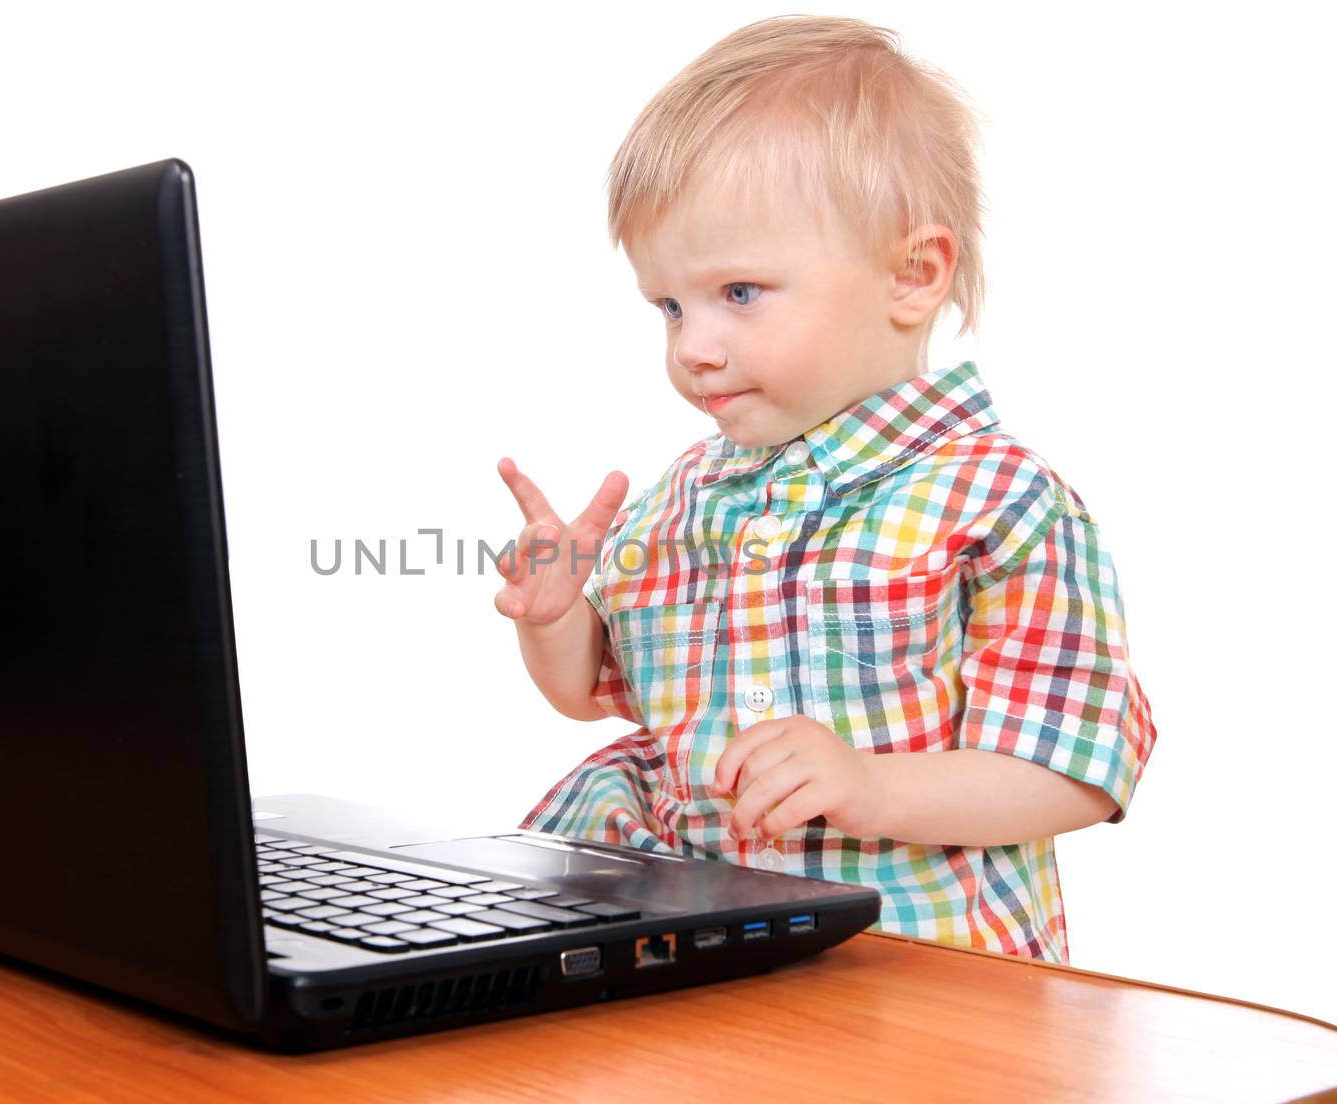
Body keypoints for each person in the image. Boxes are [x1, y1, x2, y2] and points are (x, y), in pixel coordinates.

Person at [491, 14, 1157, 962]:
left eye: (741, 293)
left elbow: (1073, 771)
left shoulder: (999, 501)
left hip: (931, 985)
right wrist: (556, 620)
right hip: (713, 964)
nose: (692, 347)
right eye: (669, 305)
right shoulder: (690, 494)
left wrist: (868, 787)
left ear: (913, 276)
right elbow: (600, 691)